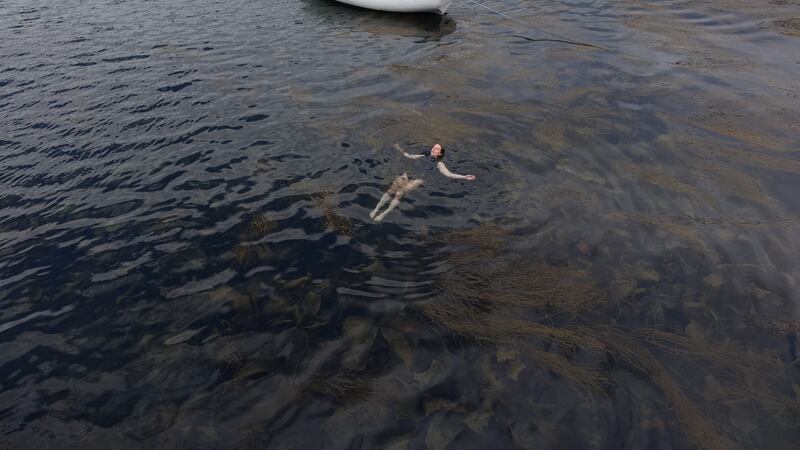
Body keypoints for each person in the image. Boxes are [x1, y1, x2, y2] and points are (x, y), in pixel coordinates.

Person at [370, 143, 476, 222]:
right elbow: (409, 155)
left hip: (418, 179)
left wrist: (464, 177)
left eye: (437, 148)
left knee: (399, 193)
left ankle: (384, 213)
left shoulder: (439, 164)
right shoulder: (424, 156)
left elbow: (448, 174)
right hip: (408, 174)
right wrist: (399, 149)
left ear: (440, 153)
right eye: (434, 147)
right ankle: (376, 208)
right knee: (392, 189)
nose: (434, 148)